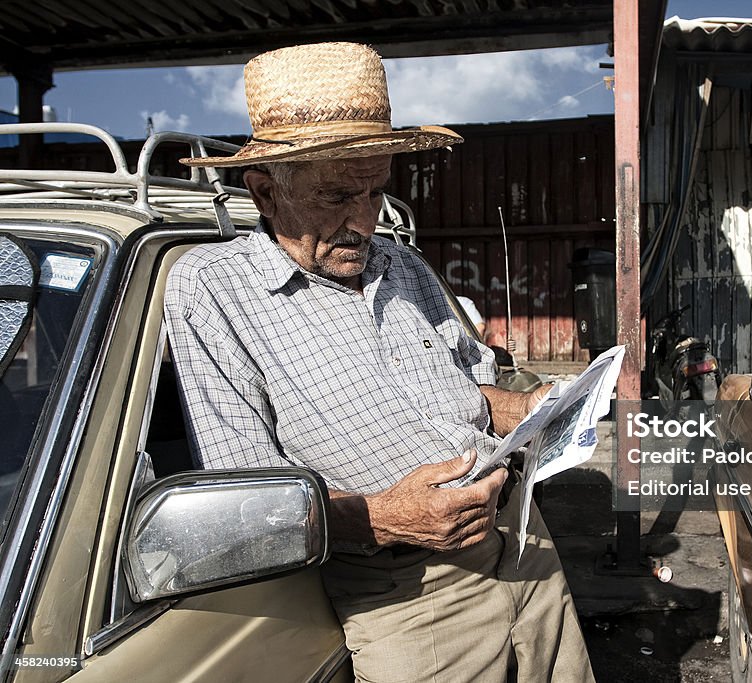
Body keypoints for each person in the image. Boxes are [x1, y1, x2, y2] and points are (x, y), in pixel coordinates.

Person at [164, 42, 594, 682]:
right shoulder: (213, 291)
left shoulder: (404, 265)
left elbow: (469, 389)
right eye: (337, 195)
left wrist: (532, 409)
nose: (362, 219)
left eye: (375, 191)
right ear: (264, 194)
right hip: (411, 597)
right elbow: (248, 499)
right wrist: (384, 518)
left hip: (527, 553)